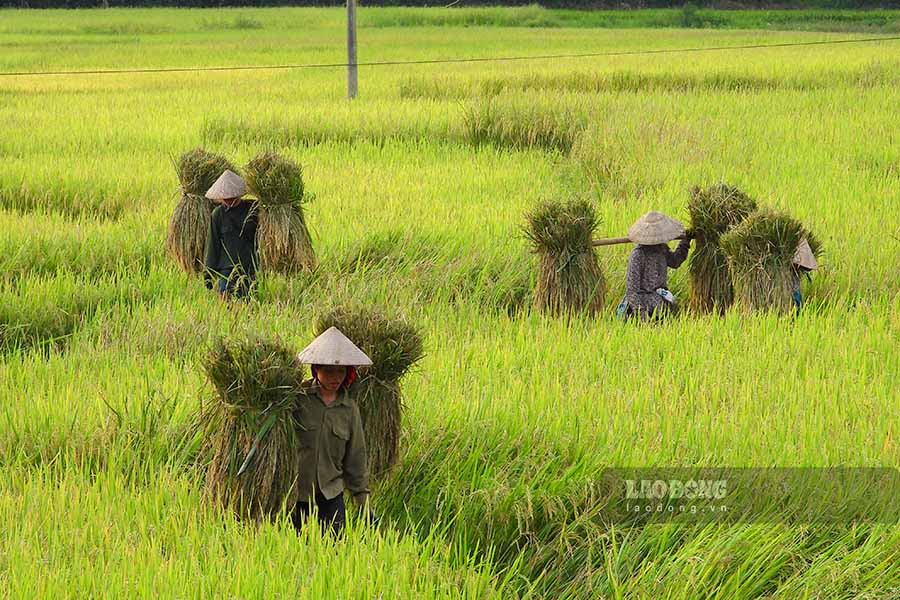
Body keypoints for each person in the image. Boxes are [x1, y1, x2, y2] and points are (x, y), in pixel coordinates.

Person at [292, 326, 375, 534]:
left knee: (335, 548)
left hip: (330, 492)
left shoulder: (349, 409)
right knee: (291, 548)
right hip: (296, 492)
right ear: (316, 369)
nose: (335, 377)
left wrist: (363, 502)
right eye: (328, 371)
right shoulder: (297, 399)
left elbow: (356, 457)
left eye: (340, 371)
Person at [617, 211, 694, 322]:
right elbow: (632, 291)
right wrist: (641, 314)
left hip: (658, 301)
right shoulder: (638, 255)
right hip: (640, 303)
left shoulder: (661, 249)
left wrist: (685, 242)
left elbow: (675, 261)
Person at [203, 170, 259, 299]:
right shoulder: (218, 214)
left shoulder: (253, 209)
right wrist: (208, 275)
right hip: (226, 272)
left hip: (249, 269)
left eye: (231, 197)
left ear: (238, 194)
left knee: (249, 306)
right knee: (227, 308)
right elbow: (213, 245)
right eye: (225, 198)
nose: (228, 201)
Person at [790, 238, 818, 313]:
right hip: (788, 272)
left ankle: (797, 312)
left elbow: (807, 266)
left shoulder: (799, 239)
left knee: (795, 293)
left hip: (793, 272)